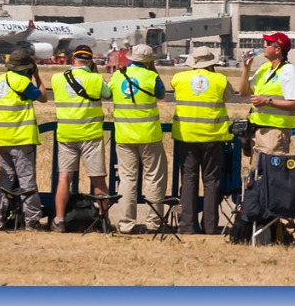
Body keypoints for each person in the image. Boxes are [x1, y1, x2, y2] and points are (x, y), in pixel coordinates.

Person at [50, 44, 112, 232]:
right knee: (98, 180)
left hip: (66, 133)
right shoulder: (95, 78)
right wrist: (94, 73)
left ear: (73, 59)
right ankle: (103, 220)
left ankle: (59, 219)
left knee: (64, 178)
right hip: (90, 133)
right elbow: (107, 94)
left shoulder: (57, 78)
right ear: (91, 61)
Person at [171, 46, 232, 235]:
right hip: (212, 135)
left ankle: (187, 226)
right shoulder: (220, 80)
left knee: (188, 179)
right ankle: (210, 226)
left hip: (186, 135)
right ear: (211, 63)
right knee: (211, 181)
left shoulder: (178, 78)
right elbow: (229, 96)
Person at [109, 43, 167, 234]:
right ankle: (153, 223)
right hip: (149, 134)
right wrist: (153, 70)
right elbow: (161, 94)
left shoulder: (117, 76)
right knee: (153, 178)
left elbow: (110, 94)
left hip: (124, 134)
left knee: (127, 179)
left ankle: (126, 224)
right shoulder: (152, 77)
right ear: (149, 61)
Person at [0, 48, 47, 230]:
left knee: (5, 179)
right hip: (20, 137)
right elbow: (43, 97)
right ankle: (32, 220)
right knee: (26, 179)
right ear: (26, 67)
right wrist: (37, 77)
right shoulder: (22, 81)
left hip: (1, 138)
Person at [238, 32, 295, 158]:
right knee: (257, 173)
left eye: (268, 44)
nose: (264, 46)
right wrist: (246, 68)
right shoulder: (265, 68)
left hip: (275, 131)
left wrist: (267, 101)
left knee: (271, 173)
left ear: (278, 49)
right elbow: (243, 92)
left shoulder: (288, 70)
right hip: (257, 130)